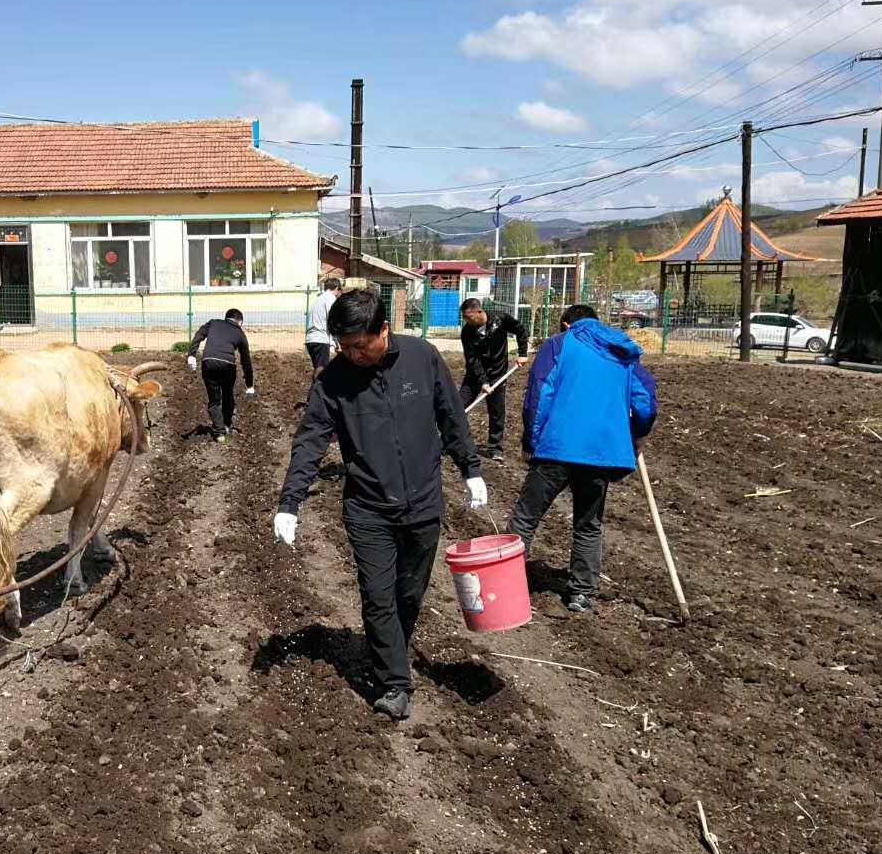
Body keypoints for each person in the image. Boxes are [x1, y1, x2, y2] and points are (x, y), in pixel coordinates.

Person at [274, 287, 487, 721]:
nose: (351, 354)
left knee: (409, 594)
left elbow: (452, 416)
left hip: (424, 502)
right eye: (343, 346)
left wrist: (471, 468)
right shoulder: (334, 380)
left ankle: (388, 650)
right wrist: (290, 502)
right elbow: (311, 439)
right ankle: (394, 683)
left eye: (359, 345)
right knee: (377, 595)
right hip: (367, 508)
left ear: (383, 330)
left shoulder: (422, 358)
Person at [507, 304, 658, 615]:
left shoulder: (559, 344)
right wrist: (636, 437)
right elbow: (645, 401)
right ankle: (581, 594)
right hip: (601, 453)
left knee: (526, 516)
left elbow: (539, 393)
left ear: (566, 324)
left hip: (557, 447)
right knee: (588, 525)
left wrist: (530, 443)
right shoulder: (622, 351)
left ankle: (507, 584)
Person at [459, 297, 529, 461]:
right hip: (474, 375)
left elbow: (520, 329)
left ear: (479, 312)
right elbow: (472, 359)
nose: (467, 321)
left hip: (498, 373)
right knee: (458, 405)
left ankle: (495, 447)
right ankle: (448, 440)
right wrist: (483, 382)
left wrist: (523, 353)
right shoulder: (467, 332)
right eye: (465, 318)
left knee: (497, 411)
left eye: (469, 317)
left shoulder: (500, 319)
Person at [187, 307, 254, 442]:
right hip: (227, 365)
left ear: (226, 318)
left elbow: (199, 335)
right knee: (228, 395)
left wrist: (191, 355)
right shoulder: (240, 333)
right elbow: (246, 360)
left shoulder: (213, 323)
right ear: (240, 321)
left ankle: (219, 433)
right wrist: (249, 385)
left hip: (208, 362)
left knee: (214, 399)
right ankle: (226, 425)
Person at [306, 276, 342, 377]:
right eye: (340, 291)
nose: (339, 295)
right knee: (321, 369)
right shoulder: (330, 299)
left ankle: (316, 391)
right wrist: (337, 343)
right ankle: (316, 391)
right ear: (336, 289)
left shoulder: (318, 299)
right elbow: (332, 321)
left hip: (311, 340)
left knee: (318, 367)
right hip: (320, 339)